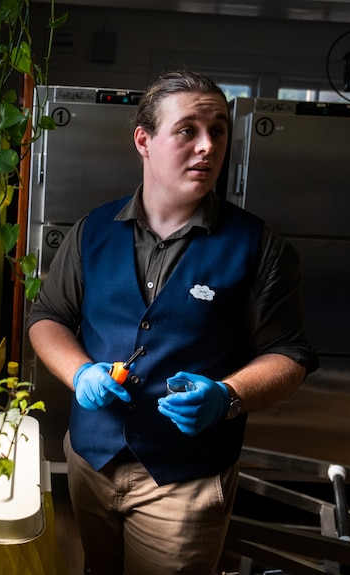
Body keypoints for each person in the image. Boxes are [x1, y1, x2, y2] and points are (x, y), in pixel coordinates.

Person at [26, 70, 319, 575]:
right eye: (188, 130)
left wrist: (226, 396)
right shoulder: (91, 232)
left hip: (185, 478)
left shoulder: (259, 245)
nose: (208, 146)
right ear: (144, 140)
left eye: (219, 130)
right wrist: (80, 373)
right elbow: (47, 318)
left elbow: (289, 355)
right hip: (91, 461)